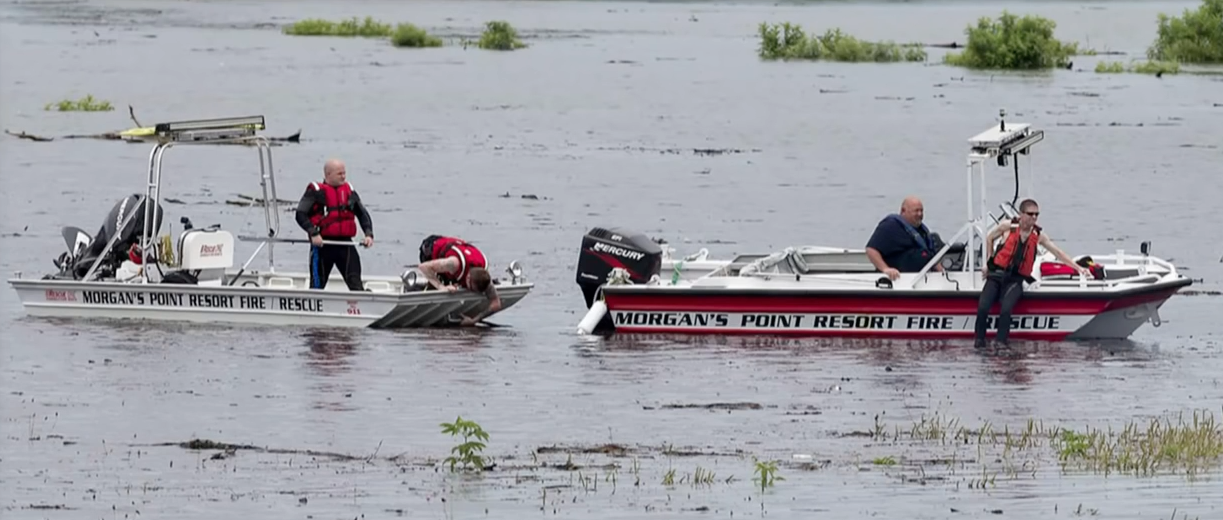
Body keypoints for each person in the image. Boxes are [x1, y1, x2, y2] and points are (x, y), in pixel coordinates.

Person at [974, 198, 1089, 349]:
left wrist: (1078, 268)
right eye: (1031, 214)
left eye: (1037, 215)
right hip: (996, 275)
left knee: (1006, 309)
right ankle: (979, 343)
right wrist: (988, 263)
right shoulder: (1007, 227)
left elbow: (1058, 252)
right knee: (983, 307)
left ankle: (1000, 345)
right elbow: (989, 238)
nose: (1034, 218)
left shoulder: (1038, 235)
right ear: (1021, 214)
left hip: (1016, 279)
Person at [294, 158, 374, 290]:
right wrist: (313, 233)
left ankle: (360, 305)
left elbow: (362, 214)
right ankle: (314, 308)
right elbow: (300, 214)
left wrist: (368, 234)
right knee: (317, 285)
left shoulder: (349, 191)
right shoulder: (316, 192)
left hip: (345, 244)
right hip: (323, 245)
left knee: (355, 281)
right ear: (328, 174)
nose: (344, 176)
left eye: (344, 173)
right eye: (339, 174)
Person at [416, 235, 502, 327]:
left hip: (458, 248)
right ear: (468, 278)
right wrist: (441, 287)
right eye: (472, 289)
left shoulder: (483, 276)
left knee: (452, 283)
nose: (473, 292)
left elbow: (496, 303)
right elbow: (424, 267)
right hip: (431, 247)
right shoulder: (453, 264)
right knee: (437, 282)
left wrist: (474, 320)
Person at [865, 196, 944, 280]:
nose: (920, 214)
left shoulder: (922, 231)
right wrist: (886, 269)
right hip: (898, 279)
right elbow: (871, 250)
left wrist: (941, 272)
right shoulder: (890, 226)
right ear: (903, 211)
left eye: (921, 211)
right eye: (916, 211)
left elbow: (930, 255)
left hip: (922, 278)